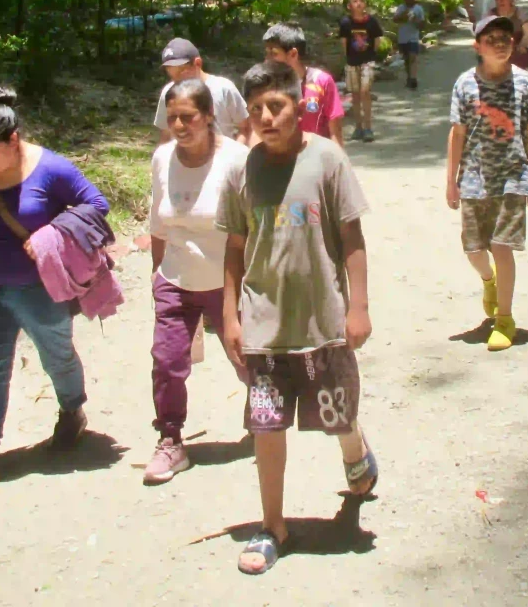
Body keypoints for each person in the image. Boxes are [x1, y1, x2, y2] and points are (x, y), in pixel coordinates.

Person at [219, 59, 377, 576]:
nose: (267, 117)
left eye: (277, 106)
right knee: (267, 425)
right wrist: (230, 316)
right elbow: (235, 246)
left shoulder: (328, 160)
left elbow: (351, 237)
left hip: (323, 320)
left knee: (336, 415)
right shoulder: (242, 169)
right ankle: (272, 526)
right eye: (257, 109)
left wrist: (359, 306)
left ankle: (354, 448)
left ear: (300, 105)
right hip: (263, 324)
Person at [0, 84, 109, 489]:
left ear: (14, 140)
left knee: (57, 357)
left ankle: (71, 411)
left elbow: (96, 205)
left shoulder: (51, 169)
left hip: (40, 289)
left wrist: (52, 234)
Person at [144, 78, 251, 485]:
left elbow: (256, 227)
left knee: (247, 359)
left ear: (209, 117)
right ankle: (170, 439)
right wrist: (157, 276)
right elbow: (158, 222)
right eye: (172, 118)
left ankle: (262, 407)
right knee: (167, 362)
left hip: (231, 281)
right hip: (175, 277)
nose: (179, 125)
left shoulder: (237, 160)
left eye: (188, 117)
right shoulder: (162, 159)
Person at [445, 15, 528, 352]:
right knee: (474, 249)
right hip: (474, 177)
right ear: (477, 47)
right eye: (492, 39)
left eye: (506, 37)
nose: (500, 43)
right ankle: (489, 281)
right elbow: (457, 133)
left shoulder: (526, 83)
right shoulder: (464, 84)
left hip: (512, 177)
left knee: (502, 246)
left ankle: (505, 319)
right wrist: (451, 181)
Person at [153, 38, 249, 144]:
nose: (176, 79)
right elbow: (165, 134)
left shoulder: (223, 88)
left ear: (197, 63)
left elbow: (244, 128)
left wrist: (236, 155)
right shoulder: (169, 92)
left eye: (181, 72)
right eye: (171, 74)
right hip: (182, 157)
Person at [262, 23, 345, 145]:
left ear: (293, 54)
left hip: (317, 158)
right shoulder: (267, 85)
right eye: (266, 53)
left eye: (273, 53)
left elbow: (335, 131)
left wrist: (340, 161)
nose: (266, 59)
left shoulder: (322, 81)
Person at [339, 0, 384, 142]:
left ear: (365, 4)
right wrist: (347, 59)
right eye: (354, 1)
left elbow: (377, 40)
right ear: (349, 6)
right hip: (352, 62)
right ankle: (358, 127)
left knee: (365, 92)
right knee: (356, 95)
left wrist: (372, 55)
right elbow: (344, 42)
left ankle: (368, 127)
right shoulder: (345, 23)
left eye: (361, 1)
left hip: (367, 61)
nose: (358, 3)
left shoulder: (371, 22)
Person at [489, 0, 528, 70]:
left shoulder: (519, 13)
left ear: (511, 0)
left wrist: (522, 45)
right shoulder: (490, 14)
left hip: (516, 53)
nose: (500, 1)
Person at [393, 0, 426, 90]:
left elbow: (422, 25)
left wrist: (415, 19)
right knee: (407, 59)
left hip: (413, 37)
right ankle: (409, 77)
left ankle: (413, 79)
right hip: (402, 38)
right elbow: (395, 20)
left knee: (413, 57)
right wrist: (404, 16)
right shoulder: (401, 8)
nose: (410, 0)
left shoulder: (418, 9)